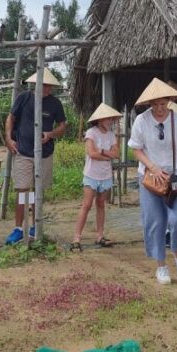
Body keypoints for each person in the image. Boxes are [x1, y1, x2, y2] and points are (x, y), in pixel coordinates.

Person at [128, 78, 177, 285]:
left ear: (169, 101)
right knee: (155, 222)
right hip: (151, 177)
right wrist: (153, 167)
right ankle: (161, 266)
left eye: (162, 103)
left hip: (175, 177)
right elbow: (136, 149)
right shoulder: (142, 120)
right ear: (150, 104)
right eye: (155, 104)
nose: (159, 108)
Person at [4, 68, 67, 245]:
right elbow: (11, 118)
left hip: (45, 154)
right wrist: (9, 138)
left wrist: (51, 134)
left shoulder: (55, 103)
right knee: (23, 189)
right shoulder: (24, 98)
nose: (47, 89)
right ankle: (18, 228)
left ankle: (34, 226)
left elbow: (63, 125)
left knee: (37, 191)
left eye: (49, 86)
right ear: (36, 84)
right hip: (23, 152)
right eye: (44, 85)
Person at [71, 103, 121, 252]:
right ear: (100, 120)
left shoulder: (111, 135)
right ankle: (76, 238)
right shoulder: (91, 133)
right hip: (92, 174)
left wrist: (102, 152)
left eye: (111, 119)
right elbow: (91, 153)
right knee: (86, 205)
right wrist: (107, 155)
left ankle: (100, 235)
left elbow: (116, 154)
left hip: (105, 175)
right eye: (108, 119)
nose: (110, 121)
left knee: (101, 204)